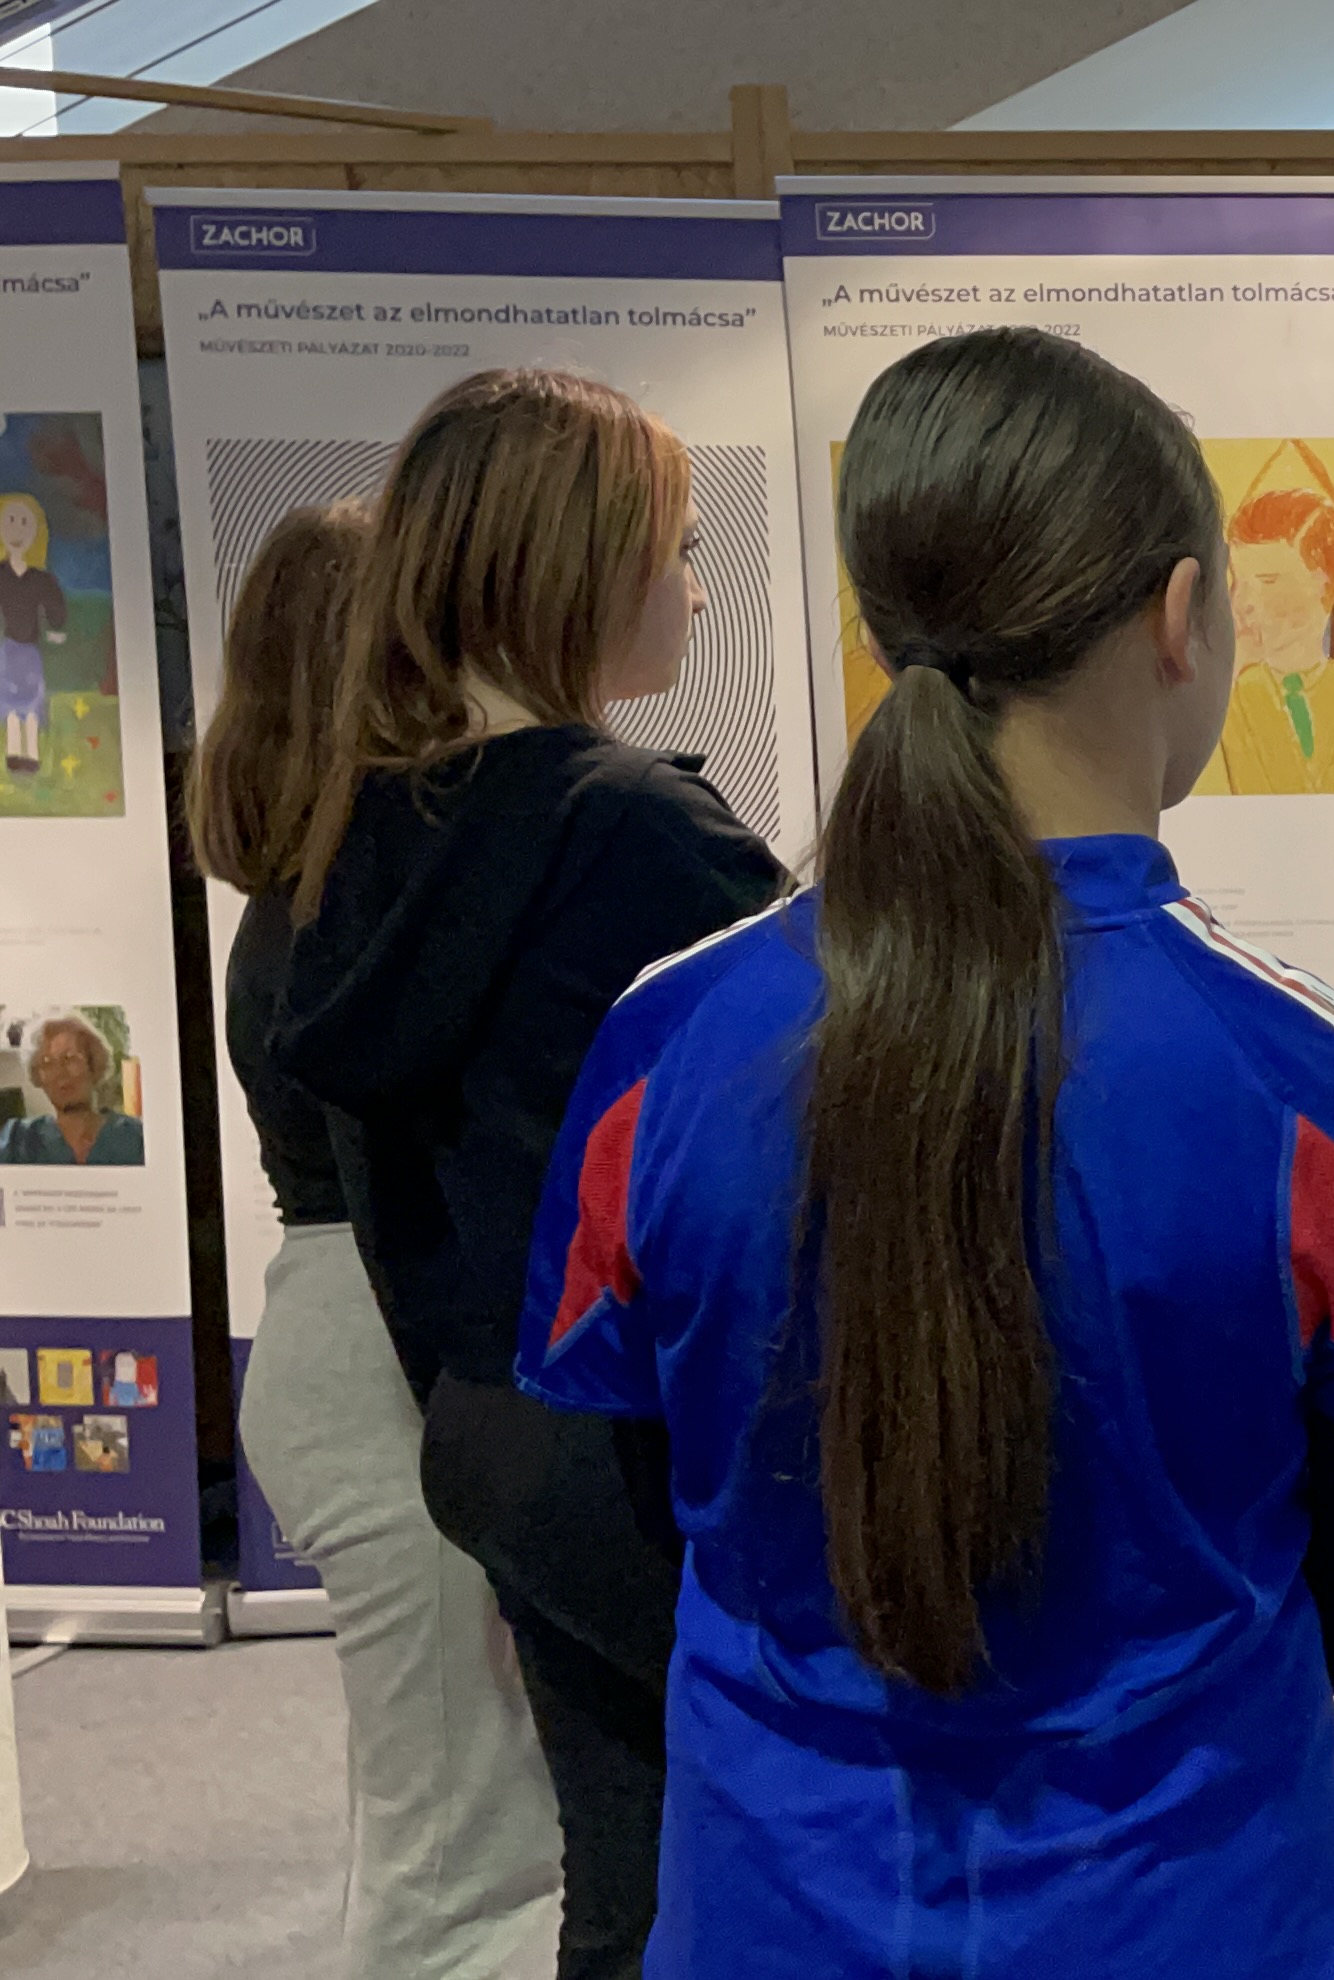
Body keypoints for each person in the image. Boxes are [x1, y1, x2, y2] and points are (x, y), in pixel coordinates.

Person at [517, 327, 1334, 1978]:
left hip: (773, 1909)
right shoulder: (1315, 1088)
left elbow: (624, 1483)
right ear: (1185, 616)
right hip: (1194, 1914)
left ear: (882, 628)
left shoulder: (664, 1044)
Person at [274, 369, 789, 1979]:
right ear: (580, 565)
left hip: (490, 1428)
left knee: (624, 1874)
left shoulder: (364, 832)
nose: (696, 588)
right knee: (789, 1852)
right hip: (656, 1449)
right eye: (679, 547)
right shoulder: (638, 836)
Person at [189, 500, 563, 1980]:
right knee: (466, 1859)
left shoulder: (311, 899)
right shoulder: (344, 911)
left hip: (348, 1344)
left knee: (438, 1813)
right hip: (381, 1363)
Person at [1200, 445, 1334, 795]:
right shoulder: (1225, 697)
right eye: (1238, 581)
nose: (1242, 602)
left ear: (1324, 583)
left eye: (1267, 581)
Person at [2, 1013, 142, 1165]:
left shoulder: (135, 1136)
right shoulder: (18, 1140)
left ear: (92, 1063)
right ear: (38, 1076)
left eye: (70, 1058)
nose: (60, 1072)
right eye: (47, 1062)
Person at [0, 489, 66, 776]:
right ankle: (14, 754)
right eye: (10, 521)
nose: (16, 529)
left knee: (31, 704)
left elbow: (56, 610)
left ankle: (32, 754)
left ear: (36, 531)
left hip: (30, 652)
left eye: (24, 522)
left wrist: (55, 630)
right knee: (10, 705)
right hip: (8, 650)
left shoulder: (41, 579)